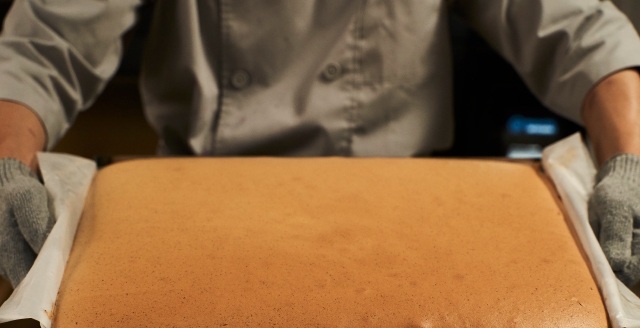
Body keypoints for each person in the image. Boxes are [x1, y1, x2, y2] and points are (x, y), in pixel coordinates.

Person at [1, 0, 640, 288]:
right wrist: (6, 161)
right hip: (200, 231)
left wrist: (630, 156)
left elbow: (576, 26)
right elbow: (47, 40)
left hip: (402, 243)